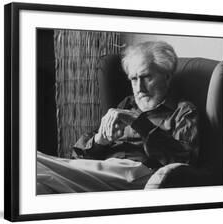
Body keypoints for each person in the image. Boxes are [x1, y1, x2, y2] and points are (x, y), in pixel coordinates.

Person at [37, 41, 199, 194]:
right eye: (134, 79)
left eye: (147, 77)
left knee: (34, 168)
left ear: (167, 77)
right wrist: (100, 141)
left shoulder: (183, 110)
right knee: (39, 181)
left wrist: (139, 123)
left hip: (139, 173)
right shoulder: (127, 104)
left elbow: (185, 161)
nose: (139, 88)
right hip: (103, 170)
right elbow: (76, 155)